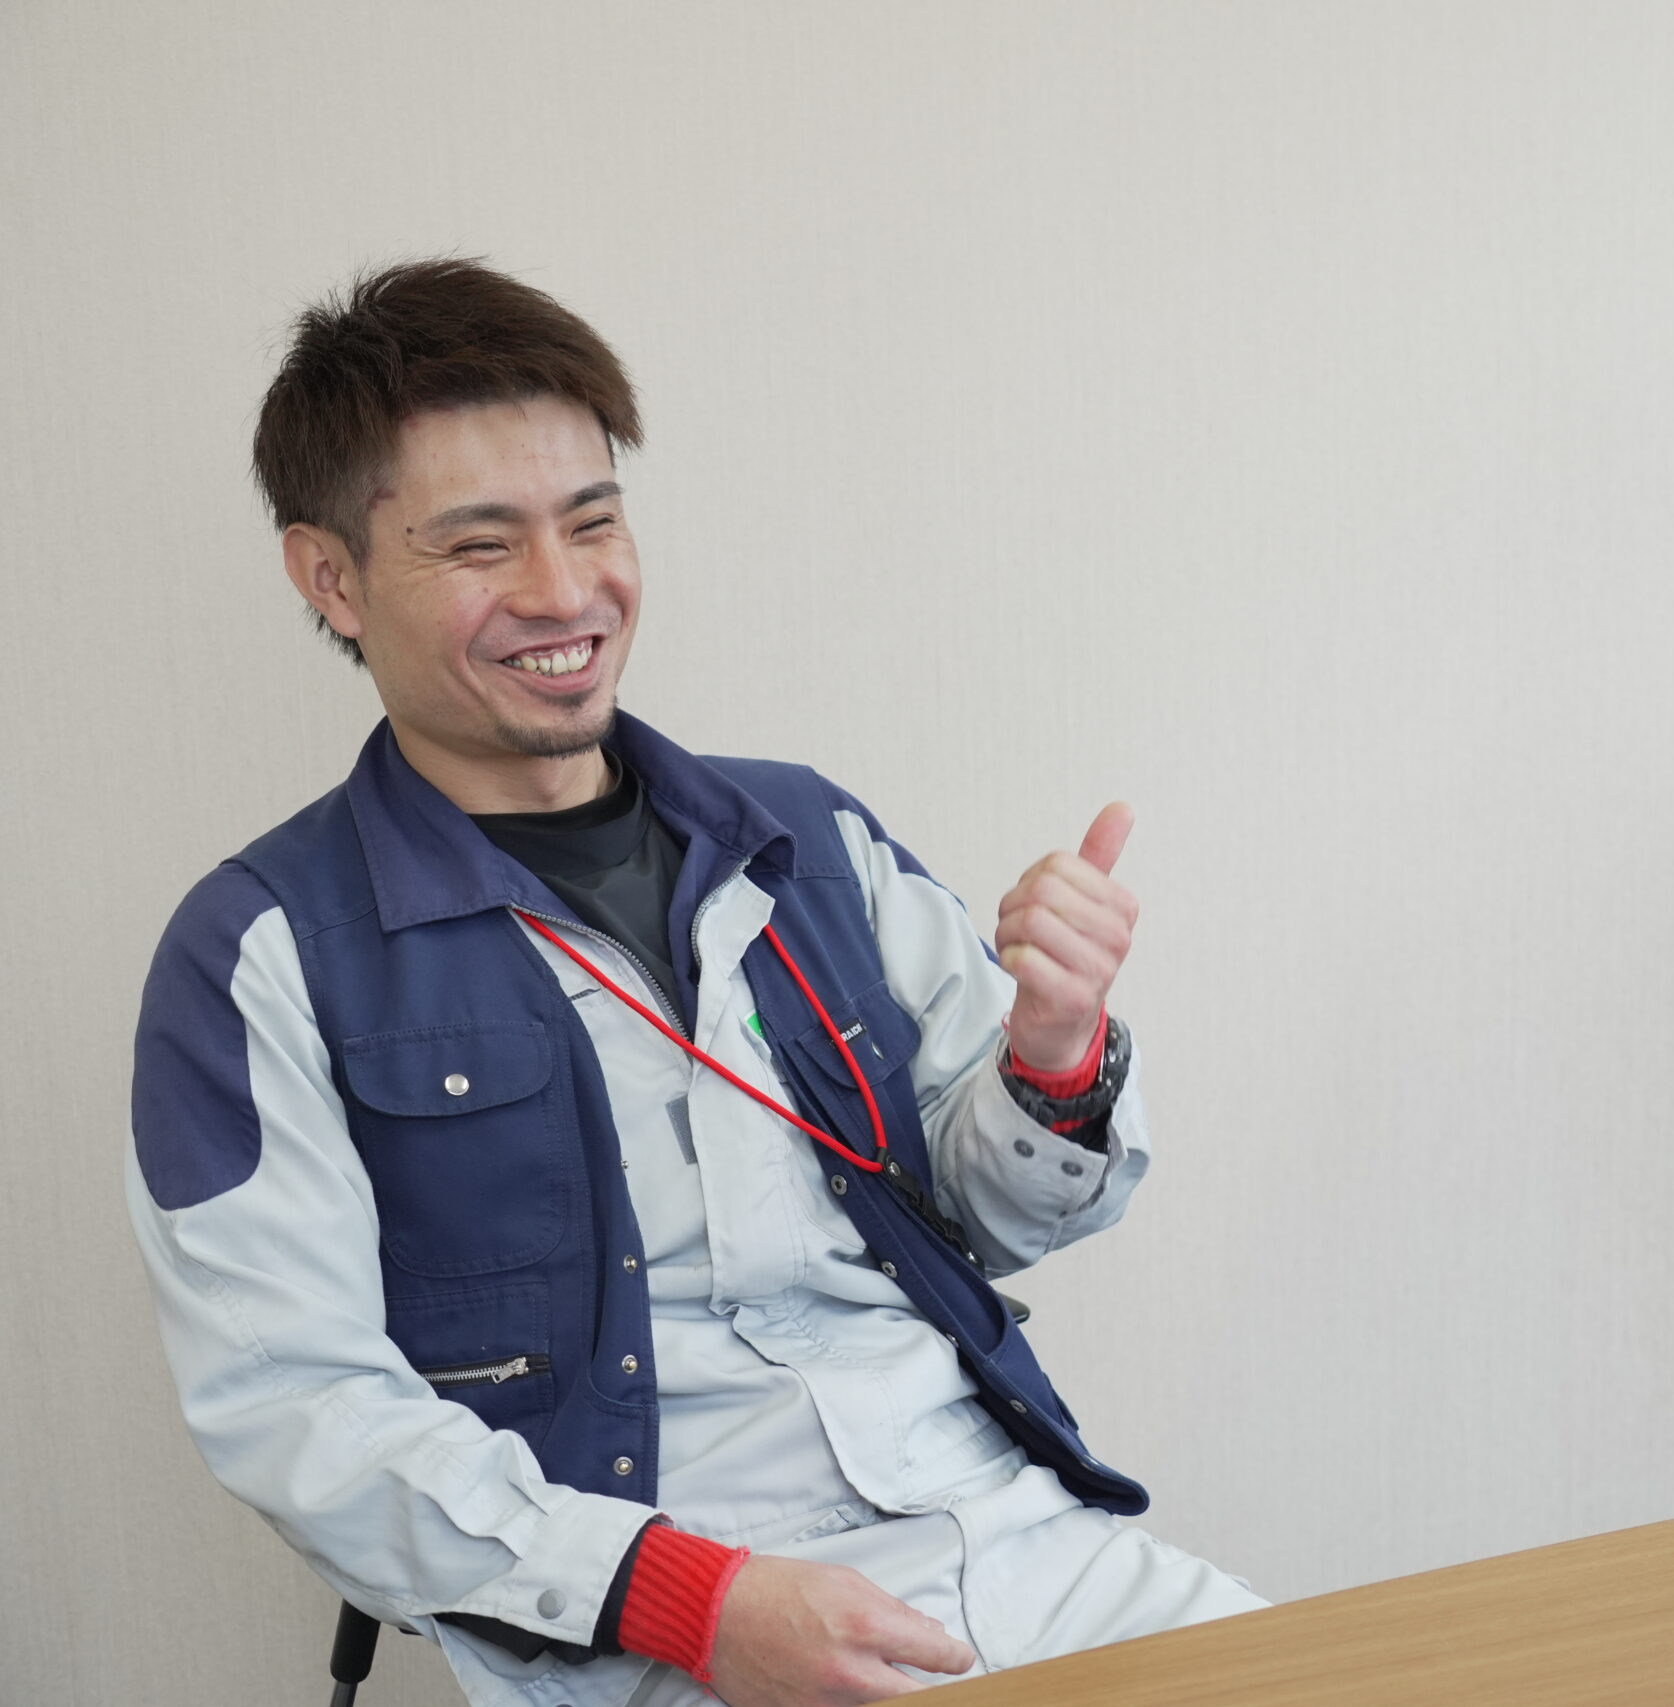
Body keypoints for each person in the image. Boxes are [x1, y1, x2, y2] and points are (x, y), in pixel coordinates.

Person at [128, 259, 1261, 1706]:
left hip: (1023, 1533)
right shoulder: (258, 954)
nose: (564, 590)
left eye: (593, 520)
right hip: (670, 1620)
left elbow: (1005, 1215)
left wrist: (1052, 1053)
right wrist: (694, 1601)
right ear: (330, 575)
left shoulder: (808, 835)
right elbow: (297, 1410)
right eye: (481, 544)